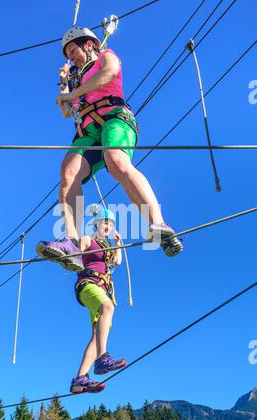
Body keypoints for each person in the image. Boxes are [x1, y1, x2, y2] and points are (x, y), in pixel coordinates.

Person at [36, 26, 183, 272]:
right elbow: (66, 111)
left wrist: (75, 90)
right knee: (68, 170)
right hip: (88, 130)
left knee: (116, 160)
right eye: (69, 54)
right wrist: (64, 85)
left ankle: (158, 224)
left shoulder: (106, 56)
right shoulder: (76, 79)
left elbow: (109, 73)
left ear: (89, 45)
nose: (71, 57)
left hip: (115, 117)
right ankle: (71, 243)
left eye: (74, 51)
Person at [70, 209, 126, 394]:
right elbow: (74, 248)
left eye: (111, 224)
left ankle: (80, 378)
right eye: (105, 222)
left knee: (97, 334)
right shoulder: (89, 240)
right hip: (88, 284)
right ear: (96, 224)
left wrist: (118, 244)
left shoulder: (108, 248)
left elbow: (117, 262)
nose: (108, 226)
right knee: (107, 308)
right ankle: (102, 357)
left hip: (102, 289)